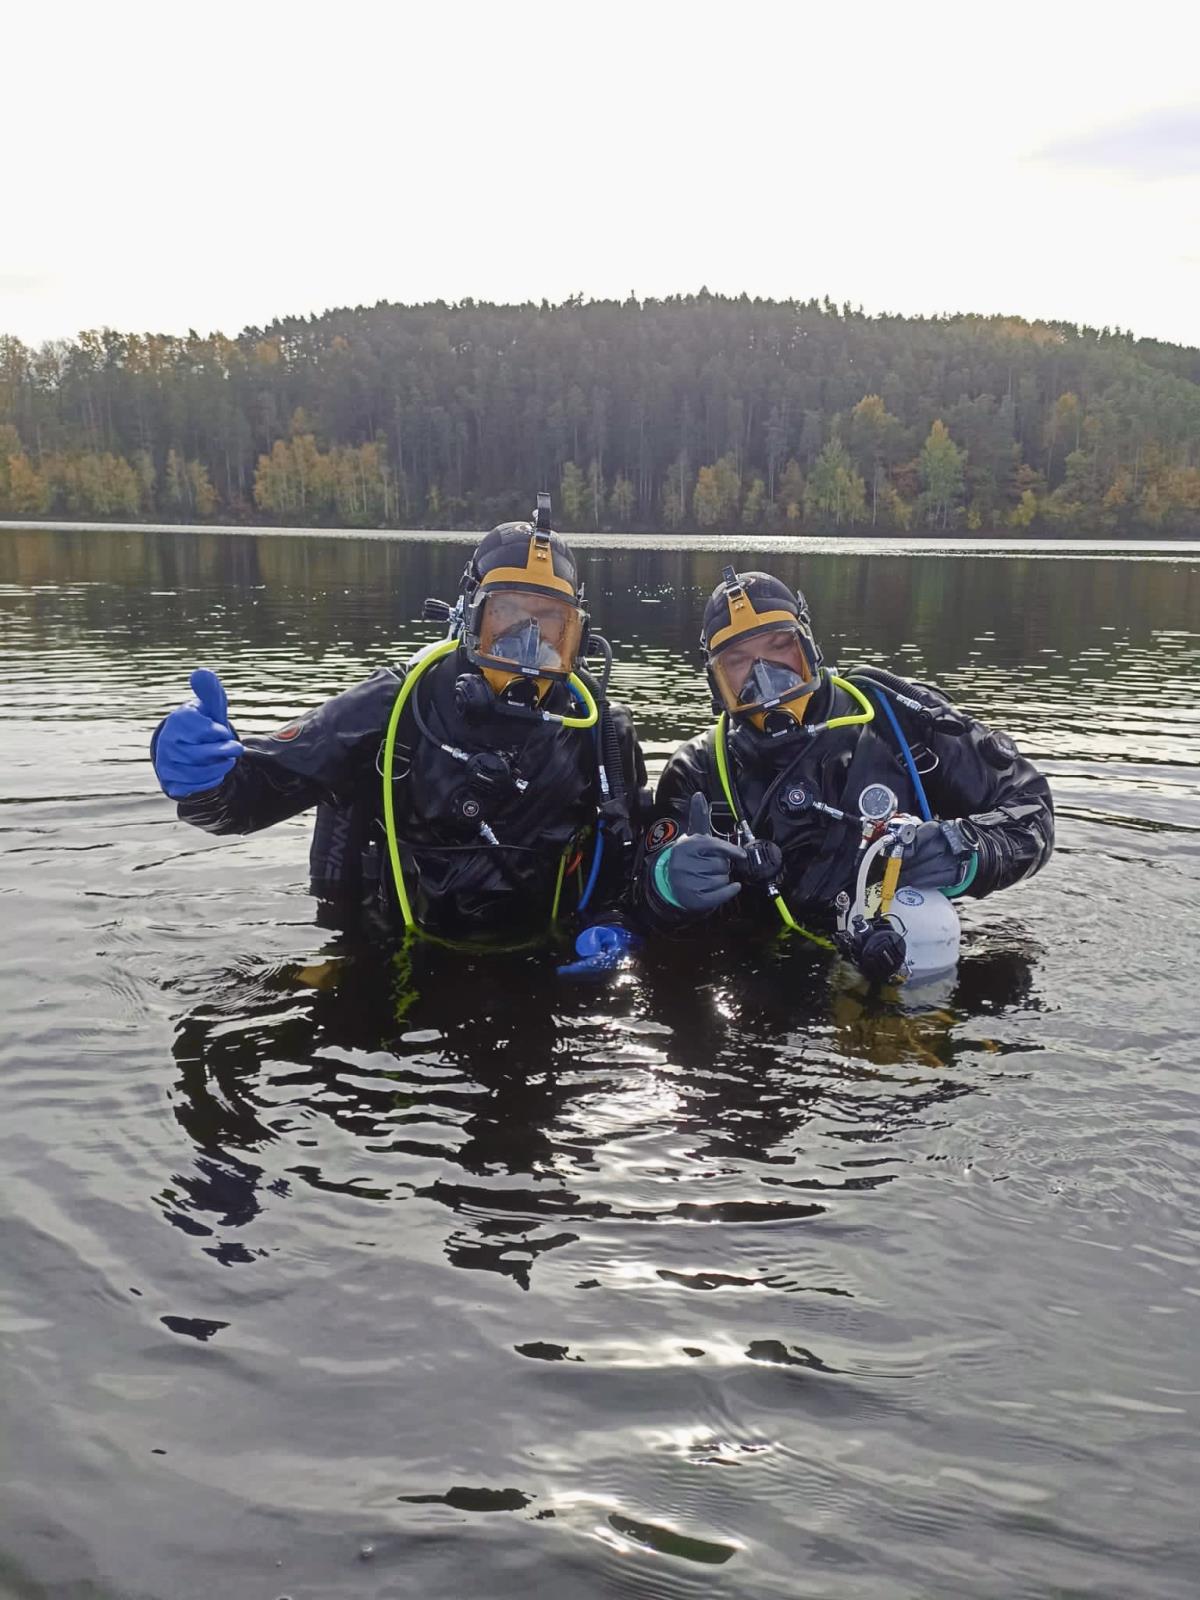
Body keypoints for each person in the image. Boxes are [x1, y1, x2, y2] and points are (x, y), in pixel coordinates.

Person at [151, 497, 646, 949]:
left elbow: (627, 857)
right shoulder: (397, 706)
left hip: (540, 954)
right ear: (471, 616)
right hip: (395, 950)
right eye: (509, 615)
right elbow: (250, 798)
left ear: (575, 636)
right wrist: (206, 779)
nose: (527, 641)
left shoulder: (598, 732)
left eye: (550, 623)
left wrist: (614, 924)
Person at [635, 566, 1053, 974]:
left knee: (930, 927)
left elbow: (1030, 807)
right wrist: (667, 884)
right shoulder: (698, 769)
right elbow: (635, 898)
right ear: (717, 682)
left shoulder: (899, 720)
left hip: (899, 944)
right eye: (738, 661)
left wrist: (966, 851)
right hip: (763, 966)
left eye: (779, 646)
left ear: (809, 647)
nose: (765, 674)